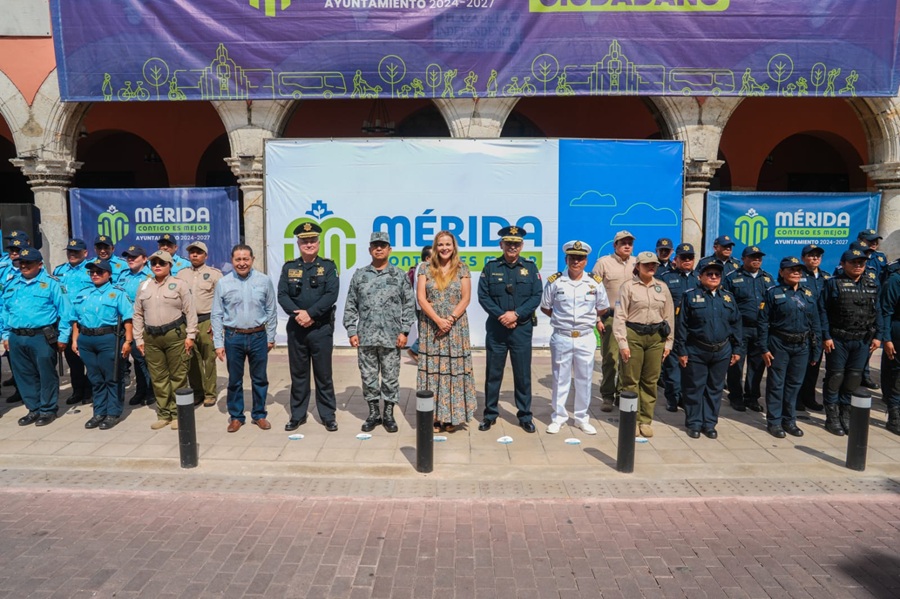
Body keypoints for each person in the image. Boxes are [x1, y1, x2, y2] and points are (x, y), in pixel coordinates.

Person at [344, 232, 416, 433]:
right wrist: (351, 330)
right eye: (375, 245)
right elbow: (351, 304)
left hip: (392, 338)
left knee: (391, 377)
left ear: (389, 249)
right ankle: (374, 413)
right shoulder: (360, 275)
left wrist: (404, 331)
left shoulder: (399, 275)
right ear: (369, 249)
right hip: (366, 336)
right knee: (368, 377)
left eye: (383, 245)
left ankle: (389, 414)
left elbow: (409, 305)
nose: (379, 248)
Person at [477, 225, 542, 432]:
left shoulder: (531, 268)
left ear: (521, 246)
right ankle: (490, 414)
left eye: (516, 244)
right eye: (508, 243)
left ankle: (524, 415)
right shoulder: (491, 267)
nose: (512, 247)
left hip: (521, 329)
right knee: (493, 373)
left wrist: (516, 314)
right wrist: (501, 315)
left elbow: (536, 296)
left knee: (522, 374)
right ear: (501, 244)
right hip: (497, 329)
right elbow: (483, 296)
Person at [540, 240, 609, 435]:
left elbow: (602, 307)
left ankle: (581, 418)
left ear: (586, 261)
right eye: (572, 258)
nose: (576, 262)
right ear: (566, 259)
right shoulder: (556, 281)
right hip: (562, 336)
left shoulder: (594, 282)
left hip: (586, 336)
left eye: (580, 258)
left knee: (584, 378)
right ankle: (559, 417)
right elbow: (546, 306)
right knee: (560, 378)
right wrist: (562, 320)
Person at [0, 246, 72, 427]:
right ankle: (33, 408)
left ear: (39, 264)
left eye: (28, 263)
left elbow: (66, 312)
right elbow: (5, 311)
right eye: (21, 263)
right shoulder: (12, 283)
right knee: (24, 375)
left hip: (41, 336)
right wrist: (5, 334)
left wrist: (63, 336)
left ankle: (47, 409)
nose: (24, 266)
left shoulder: (51, 283)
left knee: (45, 374)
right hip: (16, 336)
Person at [278, 222, 340, 432]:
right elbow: (283, 295)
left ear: (319, 243)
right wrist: (299, 315)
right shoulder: (289, 267)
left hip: (320, 329)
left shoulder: (329, 267)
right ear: (298, 243)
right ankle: (297, 415)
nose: (309, 244)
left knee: (323, 374)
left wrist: (310, 314)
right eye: (305, 241)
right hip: (297, 329)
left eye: (312, 240)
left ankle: (327, 415)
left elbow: (331, 295)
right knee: (299, 375)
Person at [211, 244, 277, 433]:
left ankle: (259, 414)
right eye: (238, 259)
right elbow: (216, 314)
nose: (242, 263)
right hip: (233, 337)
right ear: (232, 261)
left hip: (258, 336)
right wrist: (218, 343)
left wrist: (270, 336)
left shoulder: (264, 281)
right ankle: (236, 416)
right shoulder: (223, 283)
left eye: (245, 259)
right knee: (235, 380)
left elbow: (271, 310)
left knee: (260, 378)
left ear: (252, 260)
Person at [674, 262, 742, 439]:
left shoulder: (728, 297)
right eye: (709, 274)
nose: (713, 277)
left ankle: (710, 423)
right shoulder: (689, 296)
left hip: (722, 350)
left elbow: (736, 324)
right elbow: (681, 326)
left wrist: (737, 349)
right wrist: (681, 350)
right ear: (700, 276)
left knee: (715, 388)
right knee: (694, 388)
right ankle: (694, 423)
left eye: (717, 275)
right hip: (696, 349)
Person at [417, 231, 476, 432]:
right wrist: (437, 320)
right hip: (431, 328)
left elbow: (466, 298)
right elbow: (421, 298)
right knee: (433, 372)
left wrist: (449, 320)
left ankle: (451, 416)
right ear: (435, 247)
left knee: (453, 371)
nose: (444, 248)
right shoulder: (425, 268)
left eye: (448, 244)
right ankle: (433, 416)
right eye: (440, 244)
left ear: (454, 246)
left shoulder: (462, 269)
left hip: (455, 328)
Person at [132, 250, 198, 430]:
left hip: (175, 335)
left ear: (170, 265)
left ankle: (178, 414)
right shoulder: (144, 286)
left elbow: (190, 311)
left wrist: (191, 335)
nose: (157, 266)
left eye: (162, 263)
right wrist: (138, 339)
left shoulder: (179, 285)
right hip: (151, 337)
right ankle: (164, 413)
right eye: (154, 263)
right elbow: (138, 314)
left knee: (178, 376)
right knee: (158, 376)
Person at [820, 248, 882, 436]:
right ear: (843, 263)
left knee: (853, 378)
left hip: (862, 340)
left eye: (861, 263)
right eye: (853, 262)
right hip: (838, 339)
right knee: (835, 377)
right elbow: (822, 310)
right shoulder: (833, 284)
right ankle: (832, 416)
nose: (858, 266)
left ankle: (845, 412)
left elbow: (877, 310)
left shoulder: (871, 284)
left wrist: (879, 336)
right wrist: (826, 336)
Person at [614, 252, 675, 438]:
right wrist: (623, 343)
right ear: (638, 266)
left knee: (650, 381)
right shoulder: (628, 287)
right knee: (630, 380)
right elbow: (620, 316)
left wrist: (668, 343)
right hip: (633, 335)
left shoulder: (662, 287)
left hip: (656, 338)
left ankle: (645, 420)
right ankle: (631, 420)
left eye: (654, 265)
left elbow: (669, 316)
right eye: (647, 264)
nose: (651, 267)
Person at [758, 257, 821, 438]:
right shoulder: (773, 293)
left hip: (802, 345)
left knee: (794, 385)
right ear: (781, 272)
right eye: (791, 269)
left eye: (798, 270)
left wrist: (816, 349)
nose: (796, 273)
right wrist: (763, 348)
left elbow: (815, 323)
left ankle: (789, 420)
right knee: (777, 384)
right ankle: (775, 421)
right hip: (779, 344)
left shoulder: (808, 294)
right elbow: (763, 323)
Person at [71, 259, 134, 430]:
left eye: (100, 272)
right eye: (92, 272)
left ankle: (113, 412)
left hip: (109, 338)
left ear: (109, 274)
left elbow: (128, 318)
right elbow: (75, 319)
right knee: (95, 378)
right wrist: (75, 340)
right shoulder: (83, 293)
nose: (95, 275)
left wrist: (128, 341)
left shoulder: (117, 293)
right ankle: (99, 412)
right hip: (86, 339)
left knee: (112, 377)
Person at [591, 230, 637, 412]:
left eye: (629, 243)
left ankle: (622, 394)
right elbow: (592, 291)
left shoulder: (637, 263)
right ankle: (607, 396)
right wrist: (597, 319)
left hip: (632, 319)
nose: (627, 246)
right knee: (610, 358)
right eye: (623, 243)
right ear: (615, 245)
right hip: (610, 317)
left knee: (628, 358)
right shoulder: (603, 263)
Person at [723, 245, 773, 412]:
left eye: (759, 257)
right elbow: (726, 304)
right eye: (753, 257)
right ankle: (736, 396)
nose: (756, 260)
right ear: (744, 259)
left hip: (760, 329)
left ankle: (752, 397)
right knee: (736, 363)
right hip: (740, 328)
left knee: (757, 365)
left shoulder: (767, 278)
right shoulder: (732, 277)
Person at [176, 241, 223, 407]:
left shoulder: (214, 274)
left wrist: (218, 324)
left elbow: (222, 301)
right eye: (192, 252)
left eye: (199, 252)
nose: (195, 255)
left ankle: (210, 393)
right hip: (188, 322)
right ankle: (197, 392)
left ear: (206, 255)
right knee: (192, 358)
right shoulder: (181, 275)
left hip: (206, 320)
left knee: (209, 358)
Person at [656, 243, 698, 412]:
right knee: (672, 368)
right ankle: (673, 398)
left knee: (691, 369)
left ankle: (686, 398)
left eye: (690, 257)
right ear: (676, 259)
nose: (687, 261)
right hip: (674, 328)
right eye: (683, 257)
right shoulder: (666, 278)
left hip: (694, 331)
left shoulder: (700, 278)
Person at [53, 238, 94, 406]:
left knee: (90, 360)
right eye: (70, 251)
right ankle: (78, 390)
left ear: (85, 253)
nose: (72, 254)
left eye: (76, 251)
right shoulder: (60, 270)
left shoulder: (92, 270)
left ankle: (90, 390)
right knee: (72, 360)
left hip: (85, 321)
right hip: (66, 322)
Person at [119, 245, 154, 406]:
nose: (131, 259)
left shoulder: (151, 276)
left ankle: (151, 390)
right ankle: (140, 390)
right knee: (136, 358)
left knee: (146, 358)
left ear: (144, 259)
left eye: (134, 257)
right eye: (129, 257)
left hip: (145, 323)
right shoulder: (122, 276)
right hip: (127, 323)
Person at [797, 243, 831, 411]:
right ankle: (796, 399)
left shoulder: (827, 277)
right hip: (802, 325)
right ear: (803, 258)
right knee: (799, 365)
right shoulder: (798, 275)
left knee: (814, 363)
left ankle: (809, 397)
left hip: (819, 327)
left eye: (818, 255)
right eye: (811, 255)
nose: (815, 258)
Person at [880, 263, 900, 435]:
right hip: (897, 332)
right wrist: (886, 338)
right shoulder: (895, 280)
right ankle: (894, 414)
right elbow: (886, 311)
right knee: (896, 375)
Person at [406, 245, 432, 360]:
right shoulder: (424, 267)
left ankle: (419, 352)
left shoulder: (419, 267)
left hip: (420, 304)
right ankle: (414, 350)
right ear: (427, 258)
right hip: (424, 305)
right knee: (428, 330)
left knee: (426, 330)